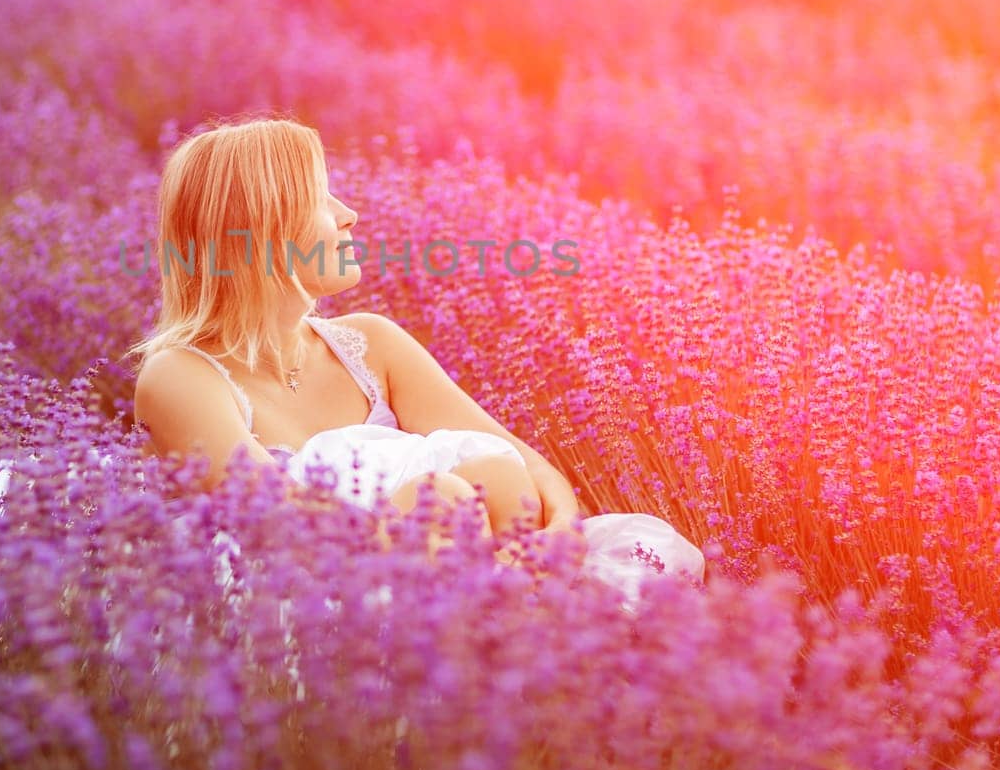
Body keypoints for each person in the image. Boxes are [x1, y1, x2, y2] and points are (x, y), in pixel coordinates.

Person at [128, 115, 705, 593]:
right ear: (262, 227)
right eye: (321, 198)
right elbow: (285, 529)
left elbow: (527, 464)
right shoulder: (181, 375)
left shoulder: (369, 344)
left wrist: (555, 539)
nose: (348, 214)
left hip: (455, 574)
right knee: (444, 497)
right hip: (301, 599)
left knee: (494, 476)